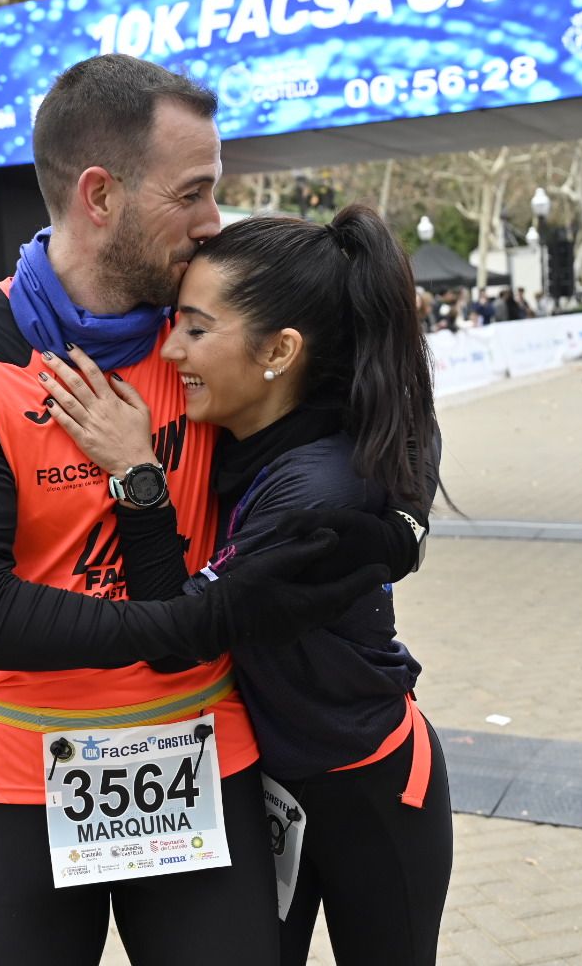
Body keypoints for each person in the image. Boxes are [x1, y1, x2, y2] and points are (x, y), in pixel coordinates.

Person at [0, 54, 418, 966]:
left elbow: (351, 431)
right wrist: (194, 618)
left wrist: (375, 535)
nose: (215, 221)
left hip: (207, 762)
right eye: (194, 192)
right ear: (100, 195)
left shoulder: (212, 340)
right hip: (24, 776)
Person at [36, 205, 451, 966]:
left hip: (370, 789)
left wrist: (137, 478)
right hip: (269, 785)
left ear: (280, 350)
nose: (169, 349)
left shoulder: (315, 487)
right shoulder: (259, 435)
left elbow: (180, 634)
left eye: (196, 329)